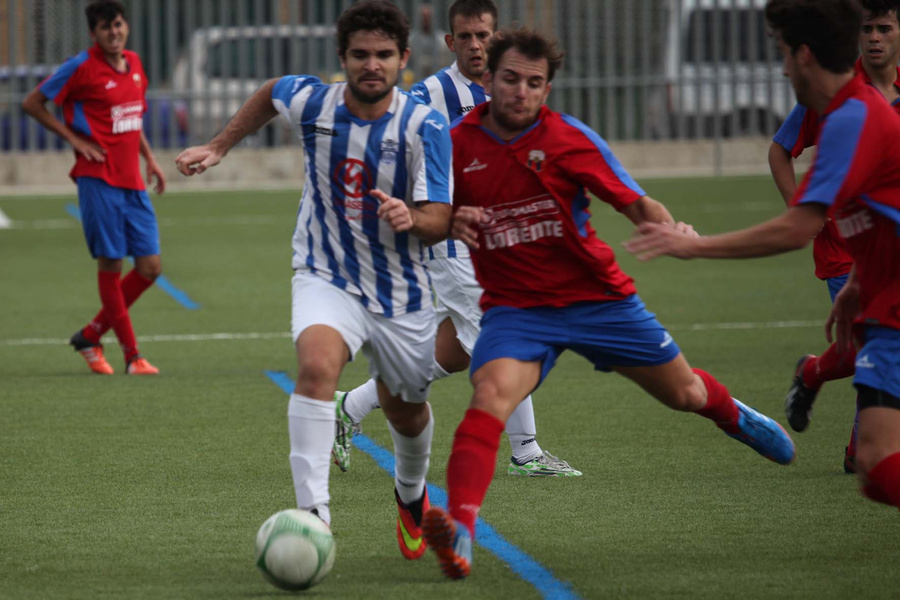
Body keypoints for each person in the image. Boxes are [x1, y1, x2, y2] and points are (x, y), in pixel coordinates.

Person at [421, 27, 796, 580]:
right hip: (517, 309)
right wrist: (450, 218)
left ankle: (731, 412)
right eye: (510, 79)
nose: (520, 92)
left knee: (684, 393)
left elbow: (637, 204)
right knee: (489, 398)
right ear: (488, 78)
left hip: (597, 299)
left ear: (547, 89)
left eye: (534, 83)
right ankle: (462, 534)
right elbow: (427, 217)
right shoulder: (456, 143)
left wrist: (675, 231)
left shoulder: (569, 138)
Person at [175, 0, 452, 561]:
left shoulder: (426, 125)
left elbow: (439, 219)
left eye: (382, 55)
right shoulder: (314, 102)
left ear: (403, 60)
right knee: (317, 366)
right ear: (341, 58)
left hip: (402, 289)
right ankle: (313, 514)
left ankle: (411, 493)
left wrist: (411, 218)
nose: (370, 65)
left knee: (405, 408)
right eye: (359, 55)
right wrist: (218, 146)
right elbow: (272, 91)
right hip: (325, 273)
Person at [625, 0, 900, 515]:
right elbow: (885, 214)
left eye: (781, 53)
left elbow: (797, 229)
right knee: (875, 468)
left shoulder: (852, 118)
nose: (779, 68)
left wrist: (695, 245)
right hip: (884, 300)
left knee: (878, 462)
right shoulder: (848, 112)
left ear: (803, 55)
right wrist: (859, 286)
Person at [333, 0, 581, 478]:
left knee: (454, 350)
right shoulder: (428, 95)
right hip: (449, 244)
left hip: (495, 242)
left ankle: (352, 405)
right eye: (465, 37)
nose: (475, 45)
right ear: (450, 42)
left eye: (483, 35)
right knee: (509, 332)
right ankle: (525, 452)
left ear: (497, 36)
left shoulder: (509, 90)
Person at [768, 0, 900, 473]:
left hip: (888, 251)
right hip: (848, 249)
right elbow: (780, 151)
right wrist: (803, 212)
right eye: (867, 29)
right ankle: (864, 448)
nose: (874, 38)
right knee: (872, 343)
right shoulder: (838, 96)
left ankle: (814, 374)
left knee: (874, 343)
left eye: (884, 28)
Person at [22, 0, 166, 376]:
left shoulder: (134, 64)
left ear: (126, 27)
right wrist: (74, 139)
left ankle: (90, 334)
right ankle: (133, 356)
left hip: (132, 180)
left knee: (150, 268)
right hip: (97, 179)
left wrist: (149, 159)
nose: (113, 32)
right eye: (105, 28)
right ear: (94, 34)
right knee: (111, 262)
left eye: (117, 25)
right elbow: (33, 103)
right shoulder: (80, 67)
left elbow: (132, 119)